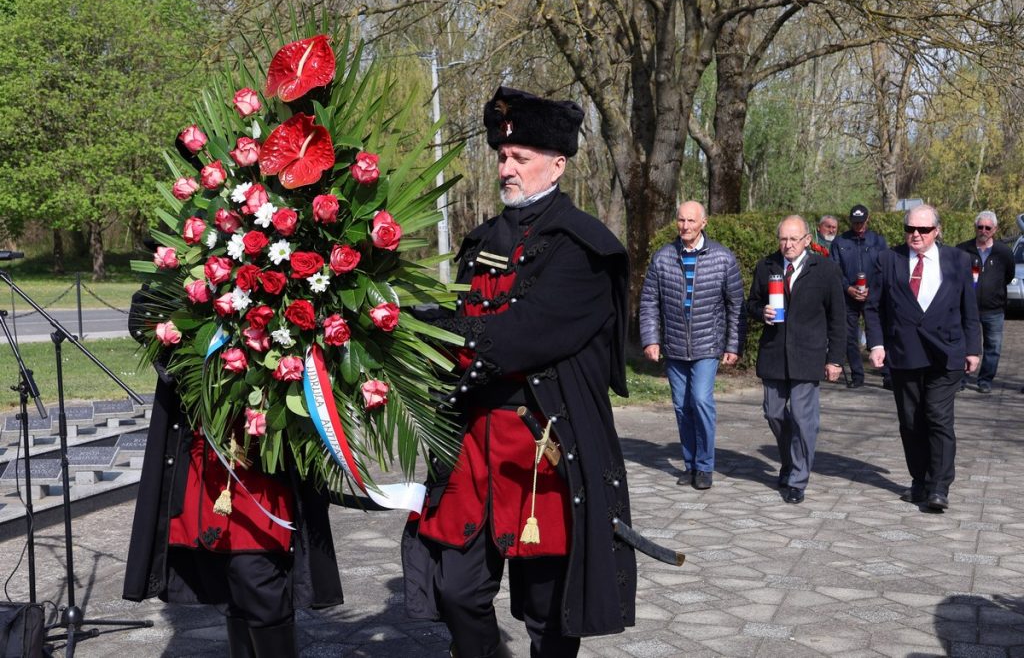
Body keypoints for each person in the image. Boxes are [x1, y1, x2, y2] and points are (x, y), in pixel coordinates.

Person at [401, 86, 636, 658]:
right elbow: (462, 313)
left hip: (544, 446)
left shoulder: (585, 248)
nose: (507, 167)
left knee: (548, 613)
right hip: (472, 444)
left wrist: (435, 331)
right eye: (502, 157)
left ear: (557, 163)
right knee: (456, 589)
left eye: (520, 158)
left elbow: (522, 336)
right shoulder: (481, 239)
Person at [122, 289, 343, 657]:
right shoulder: (187, 260)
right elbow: (145, 309)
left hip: (266, 444)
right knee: (231, 577)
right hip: (206, 444)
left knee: (257, 573)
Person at [865, 205, 981, 511]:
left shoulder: (958, 260)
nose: (915, 235)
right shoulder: (888, 260)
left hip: (946, 353)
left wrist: (973, 349)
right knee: (911, 421)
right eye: (910, 229)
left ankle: (939, 486)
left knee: (938, 416)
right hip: (905, 353)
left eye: (923, 230)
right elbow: (874, 307)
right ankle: (920, 481)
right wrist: (876, 344)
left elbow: (970, 309)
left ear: (937, 231)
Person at [639, 200, 745, 490]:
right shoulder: (662, 258)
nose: (685, 226)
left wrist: (733, 344)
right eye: (681, 221)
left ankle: (705, 466)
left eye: (691, 221)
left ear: (704, 223)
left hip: (708, 344)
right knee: (682, 407)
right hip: (674, 345)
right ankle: (690, 464)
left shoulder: (723, 258)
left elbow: (736, 305)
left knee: (700, 400)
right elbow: (649, 301)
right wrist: (651, 339)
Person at [746, 215, 845, 504]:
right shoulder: (766, 266)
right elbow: (750, 302)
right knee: (773, 412)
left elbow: (838, 318)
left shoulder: (825, 269)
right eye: (783, 239)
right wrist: (760, 310)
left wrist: (835, 359)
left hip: (808, 355)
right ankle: (790, 460)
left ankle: (798, 479)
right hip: (775, 354)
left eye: (793, 239)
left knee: (804, 420)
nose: (787, 245)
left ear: (806, 240)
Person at [830, 204, 889, 389]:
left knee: (879, 333)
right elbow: (835, 270)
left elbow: (884, 267)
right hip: (849, 297)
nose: (859, 226)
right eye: (855, 223)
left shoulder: (878, 241)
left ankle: (888, 374)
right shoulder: (840, 242)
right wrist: (847, 288)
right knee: (850, 337)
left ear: (867, 220)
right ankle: (857, 375)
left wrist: (873, 288)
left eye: (862, 222)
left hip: (873, 296)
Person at [955, 211, 1015, 393]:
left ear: (994, 229)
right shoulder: (962, 249)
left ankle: (985, 380)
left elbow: (1008, 275)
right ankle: (961, 378)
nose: (983, 231)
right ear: (975, 227)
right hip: (966, 307)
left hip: (993, 309)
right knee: (962, 344)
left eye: (988, 228)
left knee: (993, 346)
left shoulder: (1003, 252)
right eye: (980, 227)